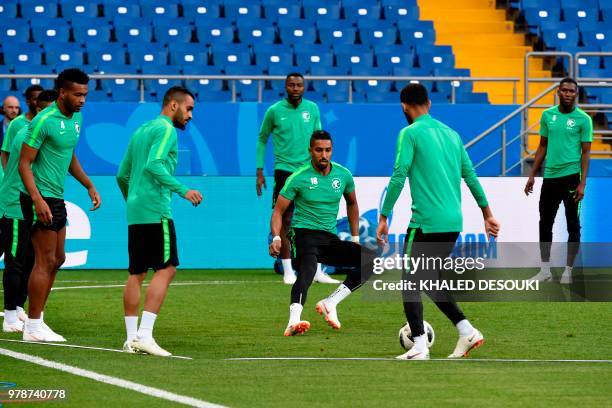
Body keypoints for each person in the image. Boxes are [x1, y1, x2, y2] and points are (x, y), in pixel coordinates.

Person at [376, 84, 500, 360]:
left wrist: (384, 216)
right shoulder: (452, 135)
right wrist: (487, 213)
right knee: (430, 280)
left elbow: (399, 175)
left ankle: (419, 345)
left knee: (410, 282)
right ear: (429, 104)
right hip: (453, 222)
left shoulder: (409, 133)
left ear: (404, 107)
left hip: (425, 223)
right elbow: (470, 175)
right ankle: (467, 331)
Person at [117, 86, 203, 357]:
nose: (190, 116)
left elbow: (122, 175)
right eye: (188, 109)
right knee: (167, 269)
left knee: (136, 273)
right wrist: (182, 189)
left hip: (136, 211)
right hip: (156, 210)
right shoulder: (166, 130)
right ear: (173, 105)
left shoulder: (141, 130)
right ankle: (145, 335)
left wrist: (134, 200)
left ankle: (131, 339)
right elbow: (154, 165)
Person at [19, 69, 101, 342]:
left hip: (55, 196)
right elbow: (24, 164)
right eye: (77, 94)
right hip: (39, 196)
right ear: (62, 92)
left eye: (85, 95)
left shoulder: (76, 118)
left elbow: (69, 155)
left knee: (58, 258)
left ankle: (38, 320)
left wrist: (88, 184)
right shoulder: (44, 120)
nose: (82, 100)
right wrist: (36, 199)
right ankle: (32, 326)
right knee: (44, 260)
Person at [269, 130, 375, 336]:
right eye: (319, 150)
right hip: (303, 235)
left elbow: (352, 203)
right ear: (310, 151)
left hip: (329, 239)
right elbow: (278, 211)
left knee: (371, 260)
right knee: (307, 272)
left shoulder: (343, 175)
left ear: (332, 150)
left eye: (327, 150)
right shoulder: (298, 178)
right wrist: (276, 237)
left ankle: (331, 302)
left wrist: (355, 239)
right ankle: (293, 321)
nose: (323, 155)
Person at [257, 72, 338, 285]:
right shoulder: (274, 111)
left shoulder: (312, 109)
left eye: (299, 85)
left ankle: (319, 270)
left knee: (317, 216)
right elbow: (262, 139)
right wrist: (259, 170)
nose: (295, 88)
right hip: (284, 171)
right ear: (286, 87)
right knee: (284, 219)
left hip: (308, 170)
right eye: (291, 85)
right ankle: (288, 270)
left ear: (304, 88)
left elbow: (320, 137)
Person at [525, 77, 592, 284]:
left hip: (572, 178)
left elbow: (586, 153)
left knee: (573, 225)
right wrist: (532, 174)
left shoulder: (584, 119)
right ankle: (545, 270)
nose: (568, 94)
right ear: (558, 92)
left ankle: (568, 271)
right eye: (564, 90)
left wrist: (582, 183)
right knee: (545, 223)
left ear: (576, 94)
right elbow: (542, 146)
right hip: (550, 178)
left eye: (572, 91)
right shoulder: (548, 115)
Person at [1, 89, 56, 333]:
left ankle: (18, 309)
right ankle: (10, 316)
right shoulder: (28, 132)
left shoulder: (31, 131)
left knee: (28, 258)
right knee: (15, 261)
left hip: (27, 203)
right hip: (15, 203)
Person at [1, 85, 43, 169]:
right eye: (35, 99)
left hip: (40, 179)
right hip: (18, 179)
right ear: (27, 101)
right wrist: (7, 176)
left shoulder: (47, 122)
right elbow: (5, 153)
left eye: (41, 99)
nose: (39, 102)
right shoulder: (16, 123)